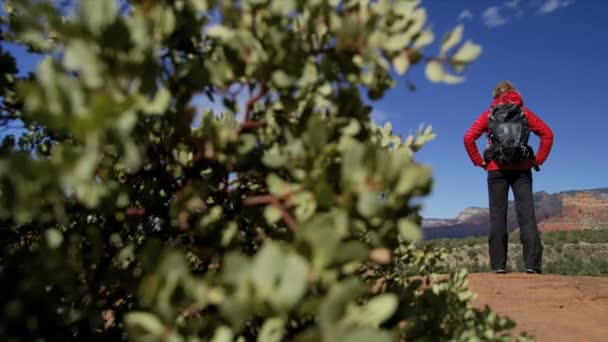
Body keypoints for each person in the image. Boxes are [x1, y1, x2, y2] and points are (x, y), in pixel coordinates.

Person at [464, 81, 554, 274]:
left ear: (495, 95)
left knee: (498, 216)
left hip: (496, 170)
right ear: (515, 93)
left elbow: (468, 138)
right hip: (522, 169)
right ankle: (532, 266)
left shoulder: (489, 115)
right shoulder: (524, 113)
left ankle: (498, 266)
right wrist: (537, 160)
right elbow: (548, 134)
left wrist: (480, 162)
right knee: (527, 216)